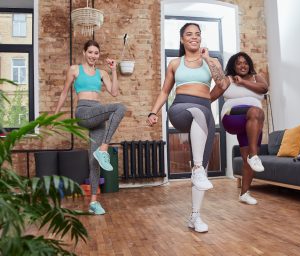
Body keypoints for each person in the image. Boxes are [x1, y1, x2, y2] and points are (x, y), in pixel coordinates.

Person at [146, 23, 229, 233]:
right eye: (189, 34)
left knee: (203, 164)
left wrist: (209, 58)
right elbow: (165, 91)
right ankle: (198, 169)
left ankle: (195, 216)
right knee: (199, 113)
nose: (194, 37)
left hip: (203, 114)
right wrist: (153, 112)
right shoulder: (175, 63)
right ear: (182, 39)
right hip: (180, 109)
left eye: (198, 34)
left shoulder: (212, 62)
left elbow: (223, 85)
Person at [54, 40, 126, 215]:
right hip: (84, 112)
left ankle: (93, 202)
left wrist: (114, 70)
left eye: (96, 53)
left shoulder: (101, 73)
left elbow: (114, 92)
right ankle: (104, 149)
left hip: (98, 116)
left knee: (94, 162)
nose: (93, 56)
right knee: (120, 107)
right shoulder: (74, 69)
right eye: (90, 52)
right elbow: (64, 92)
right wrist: (54, 115)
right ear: (84, 52)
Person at [210, 52, 268, 205]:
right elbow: (210, 97)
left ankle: (244, 194)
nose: (243, 65)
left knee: (246, 159)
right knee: (256, 111)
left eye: (245, 63)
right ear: (233, 66)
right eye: (239, 63)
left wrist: (242, 82)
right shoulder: (228, 79)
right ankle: (254, 156)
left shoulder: (257, 77)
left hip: (252, 123)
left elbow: (264, 88)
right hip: (232, 117)